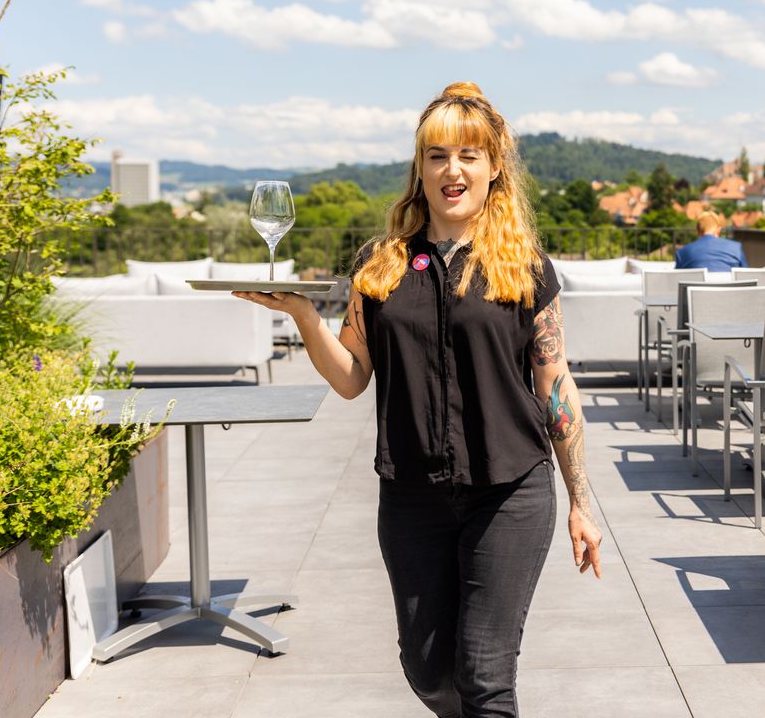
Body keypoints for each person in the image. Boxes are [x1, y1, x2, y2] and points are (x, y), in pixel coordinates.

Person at [233, 81, 601, 718]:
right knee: (429, 670)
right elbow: (351, 377)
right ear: (420, 169)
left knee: (485, 676)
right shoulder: (380, 265)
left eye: (468, 156)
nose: (452, 171)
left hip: (509, 491)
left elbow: (555, 386)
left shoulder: (525, 266)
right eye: (437, 156)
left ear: (493, 168)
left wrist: (581, 502)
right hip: (411, 497)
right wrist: (303, 317)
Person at [674, 211, 748, 271]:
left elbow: (676, 280)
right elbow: (746, 276)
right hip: (727, 285)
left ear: (697, 229)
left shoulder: (682, 253)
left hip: (697, 286)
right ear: (719, 229)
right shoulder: (735, 248)